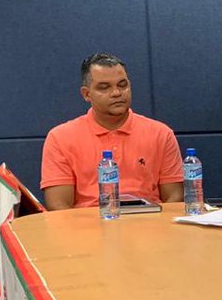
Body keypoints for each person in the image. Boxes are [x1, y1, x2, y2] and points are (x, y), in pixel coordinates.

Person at [40, 53, 183, 211]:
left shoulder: (161, 134)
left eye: (122, 85)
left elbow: (175, 198)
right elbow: (58, 205)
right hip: (86, 224)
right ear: (86, 94)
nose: (116, 93)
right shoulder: (60, 138)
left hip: (150, 221)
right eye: (104, 87)